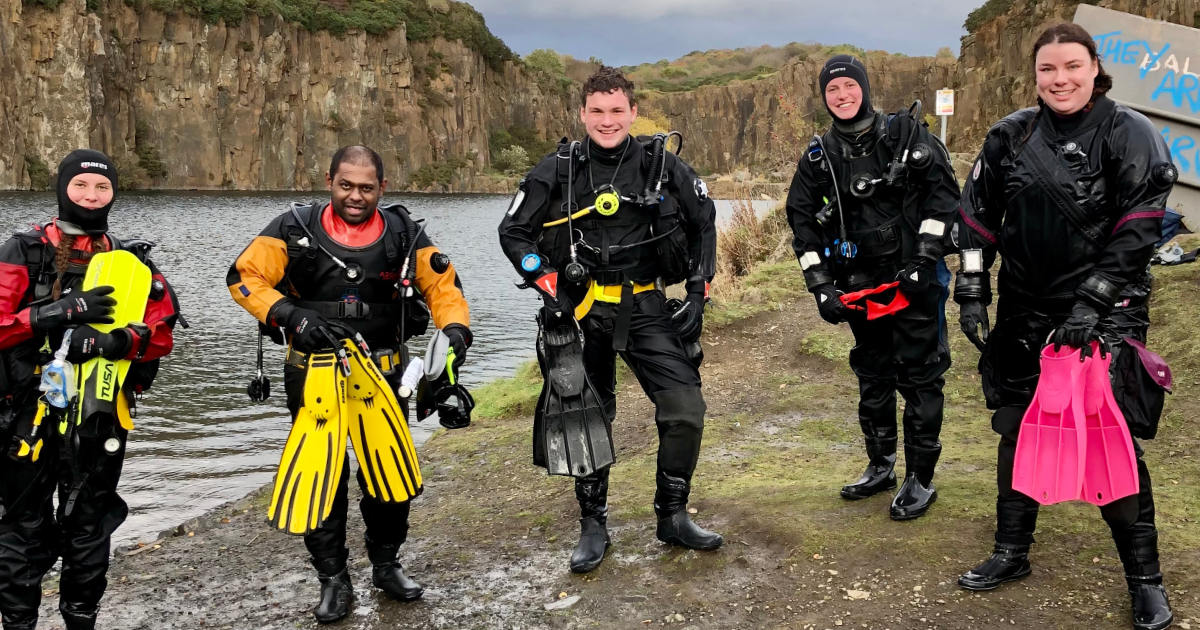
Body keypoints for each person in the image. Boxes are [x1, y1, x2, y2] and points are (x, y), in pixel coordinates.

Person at [953, 23, 1175, 630]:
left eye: (1072, 67)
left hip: (1108, 309)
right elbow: (975, 222)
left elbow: (1140, 225)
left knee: (1110, 435)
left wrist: (1092, 304)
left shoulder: (1132, 132)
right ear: (1035, 75)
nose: (1061, 80)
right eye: (1049, 69)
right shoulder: (1009, 135)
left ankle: (1146, 580)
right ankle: (1011, 551)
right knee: (1017, 427)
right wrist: (971, 288)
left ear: (1095, 67)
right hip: (1024, 306)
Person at [227, 146, 471, 623]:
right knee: (324, 477)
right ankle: (333, 579)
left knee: (389, 477)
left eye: (366, 187)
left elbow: (445, 290)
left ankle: (386, 565)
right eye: (346, 185)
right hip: (314, 371)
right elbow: (244, 277)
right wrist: (290, 316)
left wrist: (456, 332)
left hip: (385, 373)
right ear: (329, 181)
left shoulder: (406, 234)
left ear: (382, 187)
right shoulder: (292, 229)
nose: (355, 196)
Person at [498, 66, 720, 574]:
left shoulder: (661, 164)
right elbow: (513, 233)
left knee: (685, 408)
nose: (606, 120)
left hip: (646, 305)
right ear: (582, 114)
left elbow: (704, 221)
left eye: (616, 110)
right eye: (596, 111)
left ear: (633, 112)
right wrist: (549, 287)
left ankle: (672, 514)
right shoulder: (558, 167)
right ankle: (593, 524)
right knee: (586, 417)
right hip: (579, 310)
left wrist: (697, 293)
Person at [0, 150, 180, 630]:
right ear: (62, 190)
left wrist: (116, 339)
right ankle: (18, 623)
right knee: (22, 526)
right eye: (81, 186)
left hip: (100, 413)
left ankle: (82, 618)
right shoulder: (22, 251)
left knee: (89, 523)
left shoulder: (131, 263)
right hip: (27, 413)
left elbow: (162, 333)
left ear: (114, 194)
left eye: (102, 188)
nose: (91, 196)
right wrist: (56, 313)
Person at [784, 55, 960, 520]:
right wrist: (820, 285)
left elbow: (944, 200)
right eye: (833, 90)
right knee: (874, 373)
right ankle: (880, 464)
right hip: (860, 284)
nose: (842, 96)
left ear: (865, 88)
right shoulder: (819, 156)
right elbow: (801, 222)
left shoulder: (904, 136)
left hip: (913, 277)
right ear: (824, 98)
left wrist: (925, 257)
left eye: (849, 86)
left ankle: (920, 476)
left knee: (920, 374)